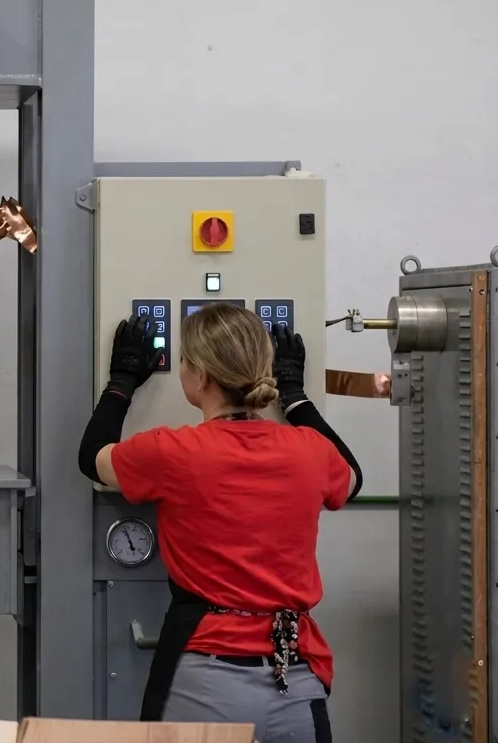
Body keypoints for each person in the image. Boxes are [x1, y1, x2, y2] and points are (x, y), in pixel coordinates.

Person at [76, 303, 361, 743]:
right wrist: (295, 396)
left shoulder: (172, 452)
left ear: (200, 377)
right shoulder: (308, 449)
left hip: (205, 679)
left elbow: (92, 457)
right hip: (295, 676)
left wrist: (123, 379)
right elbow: (352, 476)